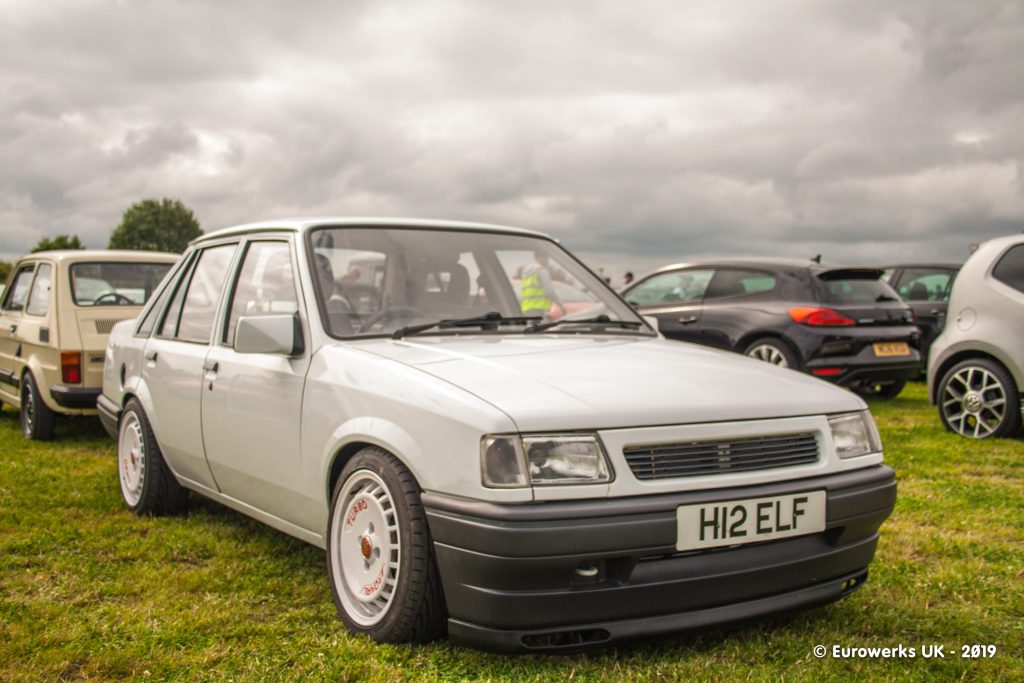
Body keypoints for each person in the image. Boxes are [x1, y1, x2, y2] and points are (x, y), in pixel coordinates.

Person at [519, 252, 564, 319]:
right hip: (538, 309)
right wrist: (561, 306)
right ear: (538, 258)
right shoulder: (541, 271)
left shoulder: (528, 273)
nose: (547, 261)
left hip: (527, 309)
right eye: (546, 258)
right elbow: (550, 291)